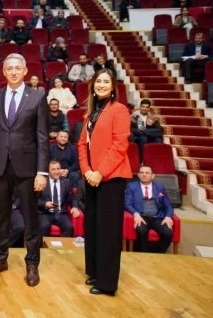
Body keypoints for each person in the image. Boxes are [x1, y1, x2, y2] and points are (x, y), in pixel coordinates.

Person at [0, 53, 49, 287]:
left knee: (30, 219)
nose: (12, 72)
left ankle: (32, 264)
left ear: (24, 71)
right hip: (0, 166)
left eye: (16, 68)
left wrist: (42, 172)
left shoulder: (38, 97)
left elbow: (42, 138)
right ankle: (0, 259)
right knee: (1, 218)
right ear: (3, 71)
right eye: (8, 68)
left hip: (28, 168)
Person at [77, 68, 132, 296]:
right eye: (98, 81)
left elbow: (120, 146)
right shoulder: (91, 113)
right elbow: (82, 145)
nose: (101, 85)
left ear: (113, 87)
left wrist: (99, 172)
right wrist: (87, 171)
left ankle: (107, 283)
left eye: (105, 82)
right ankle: (96, 272)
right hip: (92, 177)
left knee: (108, 231)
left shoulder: (119, 110)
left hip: (111, 178)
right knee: (93, 228)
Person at [125, 165, 174, 253]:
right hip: (141, 217)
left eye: (147, 173)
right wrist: (135, 214)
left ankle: (159, 254)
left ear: (152, 176)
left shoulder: (160, 187)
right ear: (138, 175)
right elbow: (127, 204)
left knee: (168, 233)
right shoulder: (131, 186)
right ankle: (143, 255)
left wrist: (168, 216)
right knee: (141, 231)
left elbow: (168, 205)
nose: (144, 175)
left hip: (157, 217)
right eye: (141, 173)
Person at [38, 160, 80, 237]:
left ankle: (62, 248)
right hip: (45, 213)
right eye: (53, 169)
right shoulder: (43, 182)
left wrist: (75, 207)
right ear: (48, 170)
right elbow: (34, 200)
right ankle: (43, 248)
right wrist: (45, 204)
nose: (56, 172)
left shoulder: (67, 182)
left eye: (58, 169)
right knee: (44, 226)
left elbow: (72, 197)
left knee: (69, 228)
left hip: (61, 213)